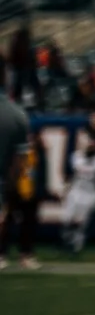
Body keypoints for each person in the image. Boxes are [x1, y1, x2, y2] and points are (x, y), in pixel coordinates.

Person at [59, 114, 95, 257]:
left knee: (81, 222)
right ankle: (66, 242)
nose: (91, 146)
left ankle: (76, 246)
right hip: (76, 190)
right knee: (67, 218)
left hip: (91, 193)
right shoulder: (76, 157)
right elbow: (70, 175)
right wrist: (66, 188)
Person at [0, 89, 34, 269]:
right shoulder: (17, 117)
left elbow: (23, 158)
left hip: (17, 182)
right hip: (11, 179)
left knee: (14, 218)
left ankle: (22, 254)